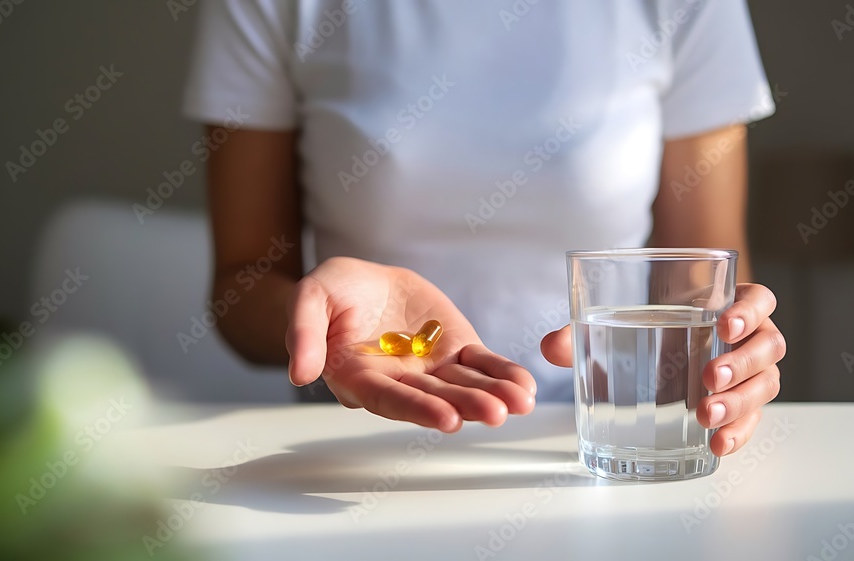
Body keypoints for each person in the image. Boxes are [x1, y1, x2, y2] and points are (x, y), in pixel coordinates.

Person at [183, 0, 786, 457]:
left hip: (600, 453)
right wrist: (318, 320)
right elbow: (240, 291)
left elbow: (708, 283)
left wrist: (732, 356)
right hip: (354, 462)